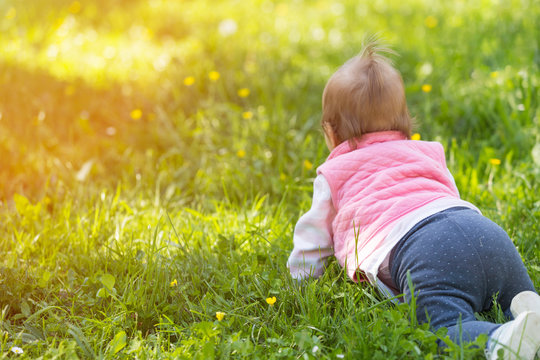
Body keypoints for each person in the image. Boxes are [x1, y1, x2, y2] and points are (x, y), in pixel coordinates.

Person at [287, 40, 540, 359]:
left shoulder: (334, 171)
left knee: (444, 328)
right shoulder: (426, 151)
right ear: (405, 119)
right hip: (484, 231)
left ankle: (500, 340)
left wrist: (300, 283)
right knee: (516, 291)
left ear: (330, 132)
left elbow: (312, 238)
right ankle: (526, 305)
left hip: (425, 252)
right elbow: (448, 195)